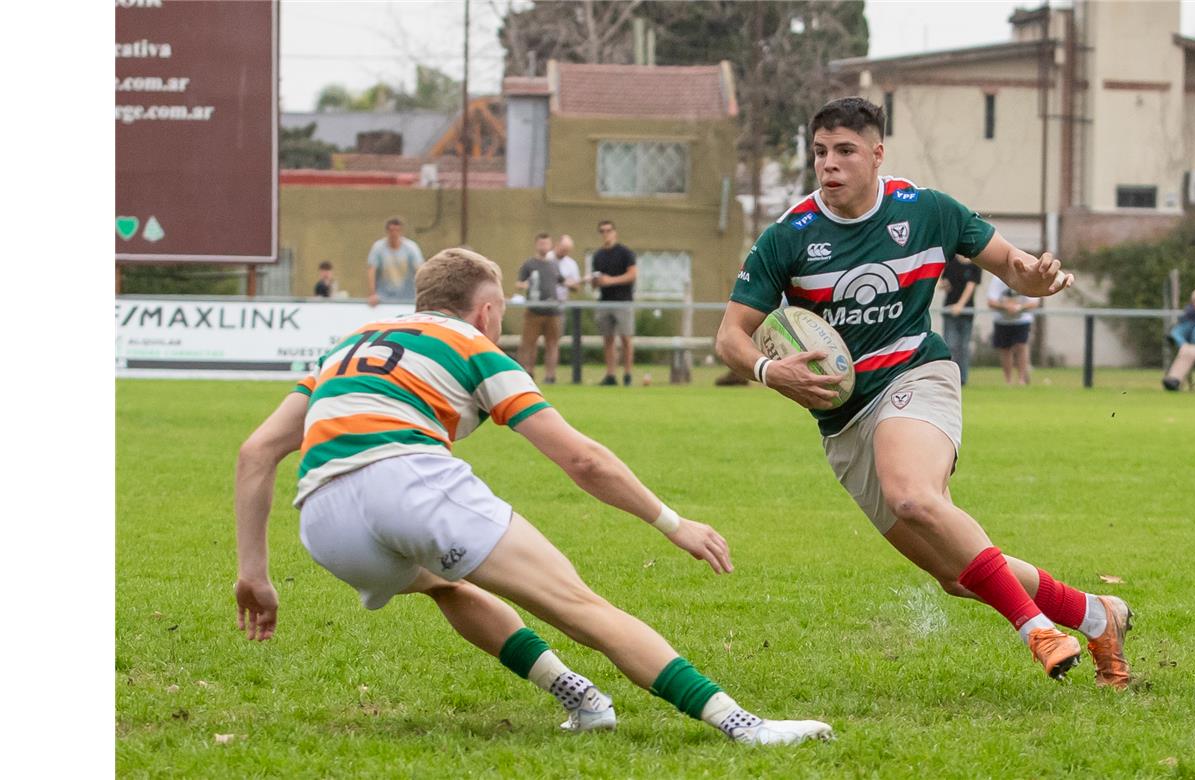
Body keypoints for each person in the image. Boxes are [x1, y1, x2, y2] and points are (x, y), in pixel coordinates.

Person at [233, 247, 833, 745]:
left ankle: (582, 699)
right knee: (579, 606)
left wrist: (253, 574)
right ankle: (742, 724)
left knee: (444, 584)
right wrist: (673, 523)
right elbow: (582, 458)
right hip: (407, 481)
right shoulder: (474, 345)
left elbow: (256, 452)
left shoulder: (347, 344)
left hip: (324, 521)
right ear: (488, 310)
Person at [715, 97, 1133, 689]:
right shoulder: (790, 236)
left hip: (917, 375)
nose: (828, 165)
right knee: (958, 576)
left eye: (844, 151)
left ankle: (1036, 629)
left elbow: (1012, 265)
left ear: (877, 154)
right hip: (843, 417)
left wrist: (1034, 277)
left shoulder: (928, 210)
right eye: (819, 153)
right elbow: (730, 335)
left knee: (912, 496)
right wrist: (766, 370)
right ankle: (1098, 615)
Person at [590, 220, 637, 386]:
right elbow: (596, 280)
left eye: (608, 230)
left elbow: (632, 275)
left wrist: (610, 281)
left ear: (615, 232)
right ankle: (610, 374)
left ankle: (628, 374)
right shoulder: (598, 256)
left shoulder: (625, 253)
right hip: (605, 302)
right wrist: (595, 281)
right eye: (602, 231)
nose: (606, 234)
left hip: (623, 301)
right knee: (608, 339)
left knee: (626, 338)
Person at [516, 233, 564, 383]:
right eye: (541, 243)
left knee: (552, 343)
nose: (544, 246)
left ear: (550, 245)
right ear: (536, 245)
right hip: (534, 310)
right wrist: (527, 285)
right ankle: (528, 373)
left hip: (553, 311)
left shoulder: (554, 265)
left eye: (546, 244)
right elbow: (518, 283)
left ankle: (551, 376)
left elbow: (562, 282)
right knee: (529, 343)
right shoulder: (529, 264)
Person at [984, 275, 1040, 386]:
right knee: (1005, 349)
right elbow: (991, 302)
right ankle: (1008, 381)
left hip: (1022, 320)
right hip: (1002, 320)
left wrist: (1019, 307)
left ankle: (1022, 380)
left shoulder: (1026, 278)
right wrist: (1005, 307)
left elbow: (1034, 302)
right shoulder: (997, 279)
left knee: (1021, 346)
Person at [936, 254, 982, 386]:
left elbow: (971, 286)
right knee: (950, 345)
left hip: (966, 312)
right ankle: (950, 377)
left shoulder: (975, 264)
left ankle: (962, 379)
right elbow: (939, 280)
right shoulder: (950, 261)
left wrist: (960, 305)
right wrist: (942, 284)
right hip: (949, 310)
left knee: (963, 346)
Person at [365, 216, 426, 307]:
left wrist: (422, 293)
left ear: (401, 232)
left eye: (397, 230)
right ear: (387, 232)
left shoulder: (411, 248)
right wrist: (372, 293)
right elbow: (371, 270)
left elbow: (420, 270)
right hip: (383, 297)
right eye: (391, 230)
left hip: (408, 297)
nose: (394, 234)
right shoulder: (378, 247)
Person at [550, 234, 582, 304]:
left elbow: (577, 287)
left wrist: (569, 284)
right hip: (544, 303)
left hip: (561, 304)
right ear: (557, 244)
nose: (564, 253)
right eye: (563, 249)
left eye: (567, 251)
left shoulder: (571, 264)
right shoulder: (546, 258)